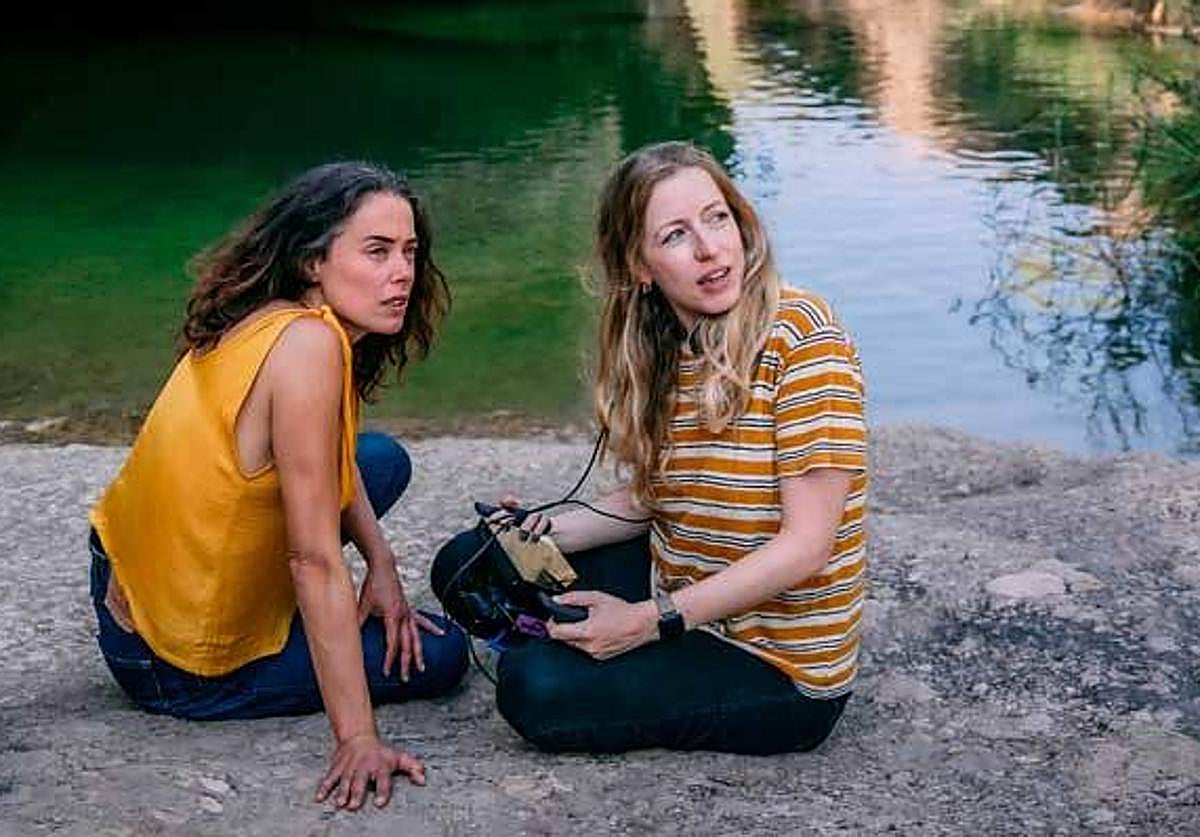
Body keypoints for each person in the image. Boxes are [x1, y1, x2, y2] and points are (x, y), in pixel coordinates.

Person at [434, 141, 868, 754]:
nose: (710, 249)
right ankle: (565, 631)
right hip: (679, 579)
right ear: (641, 266)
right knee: (471, 560)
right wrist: (545, 529)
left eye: (717, 219)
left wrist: (646, 623)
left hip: (773, 662)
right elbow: (655, 498)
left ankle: (562, 641)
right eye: (674, 236)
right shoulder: (664, 346)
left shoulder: (804, 338)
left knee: (534, 690)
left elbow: (807, 547)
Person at [88, 161, 468, 810]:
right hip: (172, 663)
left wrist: (381, 560)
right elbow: (313, 558)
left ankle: (287, 615)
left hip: (123, 577)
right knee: (444, 652)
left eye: (409, 251)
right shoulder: (309, 349)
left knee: (379, 459)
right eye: (376, 252)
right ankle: (250, 658)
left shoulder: (275, 316)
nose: (402, 272)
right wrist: (357, 736)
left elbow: (336, 458)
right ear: (312, 261)